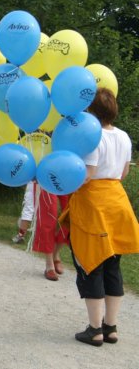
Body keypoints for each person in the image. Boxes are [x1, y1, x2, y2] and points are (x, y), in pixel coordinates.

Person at [60, 89, 139, 346]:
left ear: (90, 111)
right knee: (112, 264)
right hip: (117, 201)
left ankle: (94, 329)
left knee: (90, 262)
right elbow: (124, 172)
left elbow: (87, 174)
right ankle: (111, 326)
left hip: (93, 203)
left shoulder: (90, 136)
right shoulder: (124, 137)